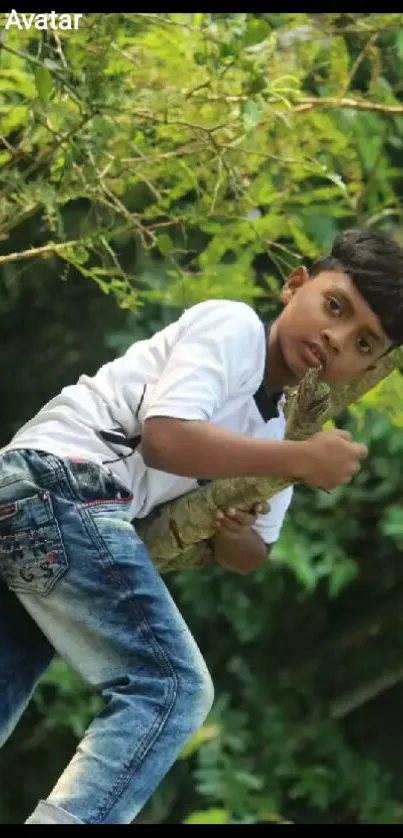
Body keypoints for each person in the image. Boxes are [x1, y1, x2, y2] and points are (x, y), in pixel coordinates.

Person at [0, 227, 402, 824]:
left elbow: (252, 553)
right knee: (172, 690)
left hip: (47, 516)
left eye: (363, 343)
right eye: (334, 307)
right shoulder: (234, 328)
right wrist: (300, 462)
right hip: (55, 484)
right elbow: (167, 438)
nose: (335, 338)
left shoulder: (284, 430)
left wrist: (233, 525)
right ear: (295, 286)